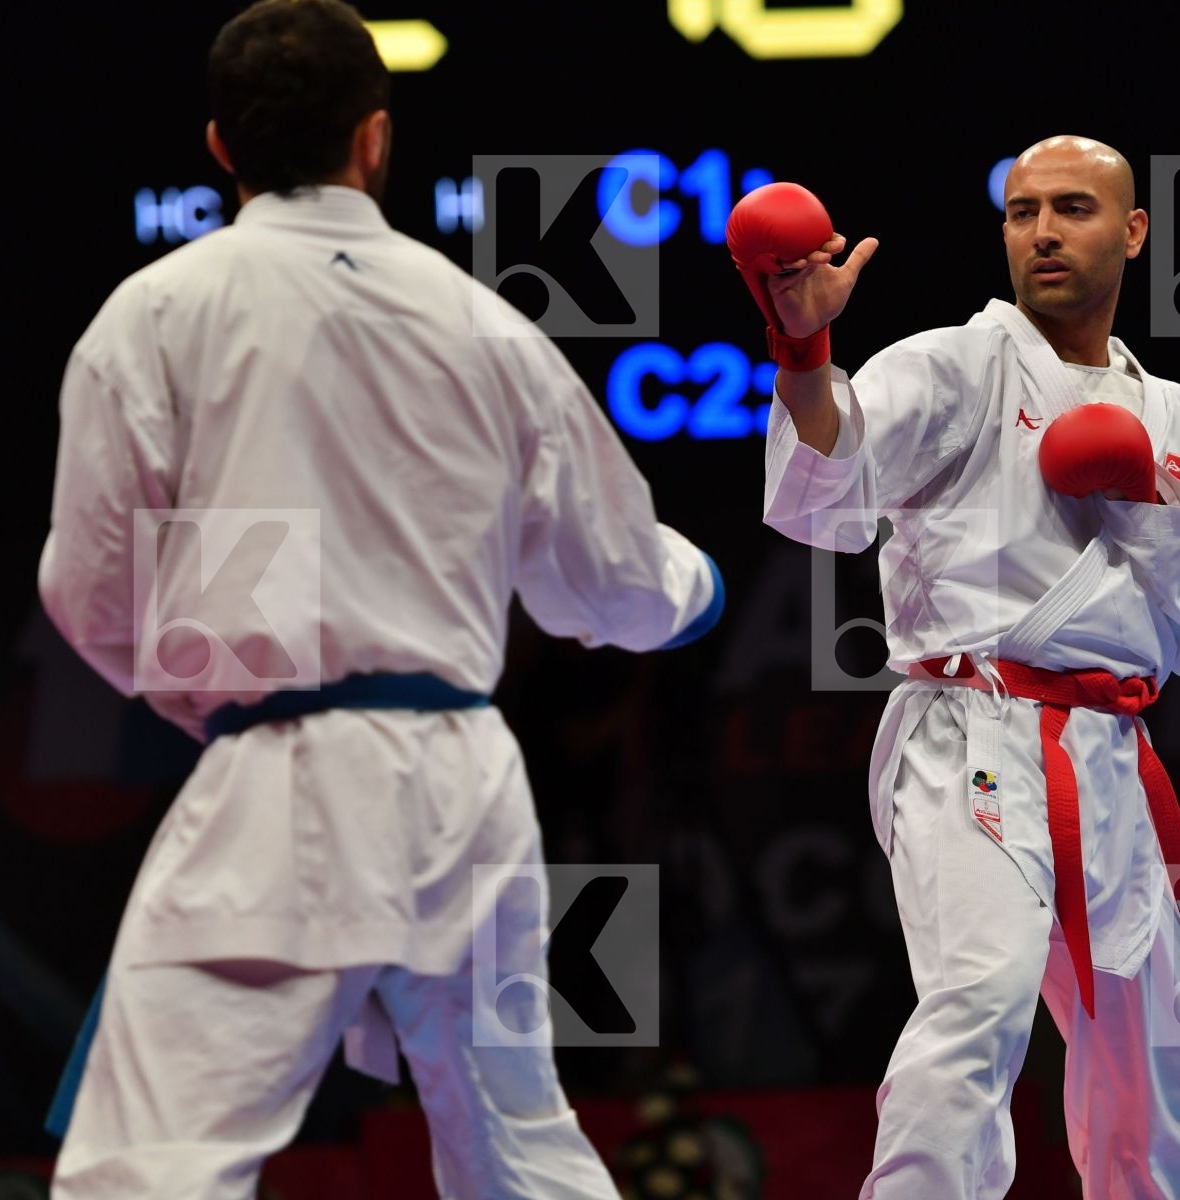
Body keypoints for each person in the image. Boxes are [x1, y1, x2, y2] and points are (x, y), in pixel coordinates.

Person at [35, 2, 722, 1196]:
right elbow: (610, 580)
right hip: (466, 778)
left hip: (282, 775)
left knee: (153, 1163)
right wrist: (696, 588)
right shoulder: (484, 324)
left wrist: (215, 702)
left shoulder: (152, 318)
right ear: (375, 140)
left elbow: (91, 591)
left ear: (219, 148)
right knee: (514, 1137)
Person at [731, 136, 1180, 1198]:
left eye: (1072, 209)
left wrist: (1146, 505)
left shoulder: (1175, 418)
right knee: (977, 999)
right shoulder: (957, 364)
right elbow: (828, 498)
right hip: (974, 727)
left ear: (1134, 232)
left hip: (1113, 752)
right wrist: (803, 352)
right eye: (1023, 212)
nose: (1044, 232)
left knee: (1160, 1059)